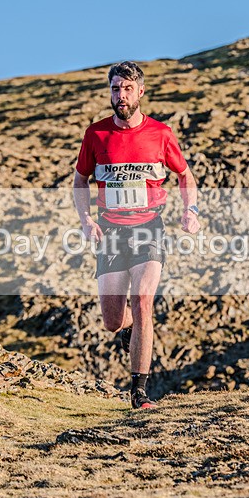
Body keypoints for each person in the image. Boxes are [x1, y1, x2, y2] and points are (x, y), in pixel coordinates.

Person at [72, 61, 200, 410]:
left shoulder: (160, 134)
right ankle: (130, 328)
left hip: (148, 228)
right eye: (116, 89)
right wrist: (86, 219)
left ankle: (139, 392)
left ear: (140, 92)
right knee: (113, 321)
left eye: (127, 89)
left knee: (143, 300)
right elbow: (80, 180)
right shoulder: (96, 134)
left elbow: (185, 176)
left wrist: (191, 211)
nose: (121, 95)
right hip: (111, 232)